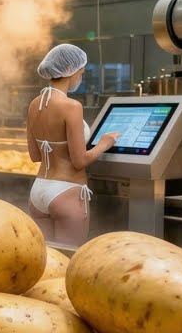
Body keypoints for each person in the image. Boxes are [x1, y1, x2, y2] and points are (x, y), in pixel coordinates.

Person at [25, 43, 119, 246]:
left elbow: (35, 155)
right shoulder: (71, 107)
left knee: (47, 261)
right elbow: (79, 161)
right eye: (81, 73)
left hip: (39, 191)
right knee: (69, 260)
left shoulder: (35, 104)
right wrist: (104, 143)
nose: (80, 78)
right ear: (70, 71)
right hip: (66, 192)